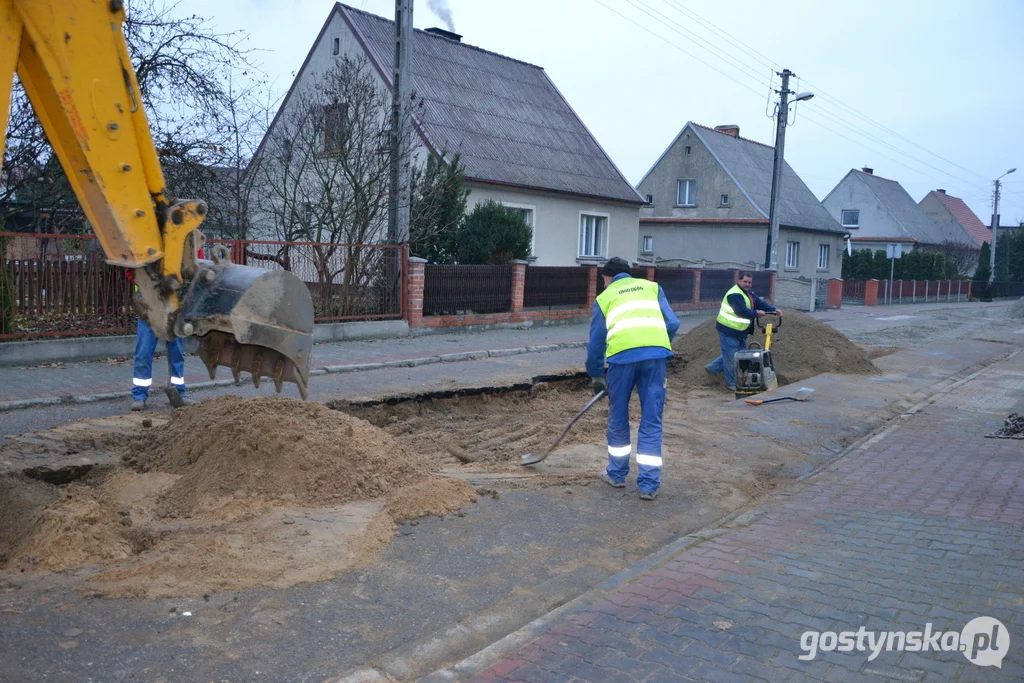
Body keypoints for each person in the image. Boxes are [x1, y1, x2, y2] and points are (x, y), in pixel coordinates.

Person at [586, 257, 680, 501]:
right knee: (651, 418)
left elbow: (596, 341)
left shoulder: (605, 297)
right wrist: (659, 342)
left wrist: (596, 374)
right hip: (655, 359)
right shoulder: (652, 287)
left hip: (621, 360)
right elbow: (673, 322)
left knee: (618, 416)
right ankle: (649, 485)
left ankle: (617, 475)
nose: (603, 284)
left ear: (608, 277)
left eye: (602, 279)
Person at [705, 271, 780, 391]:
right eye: (745, 281)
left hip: (740, 331)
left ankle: (712, 368)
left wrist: (773, 310)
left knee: (738, 355)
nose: (747, 284)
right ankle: (731, 383)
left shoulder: (748, 292)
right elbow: (741, 311)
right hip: (728, 329)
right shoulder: (734, 294)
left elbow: (759, 303)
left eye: (749, 282)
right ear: (739, 281)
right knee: (731, 356)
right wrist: (756, 313)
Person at [126, 268, 189, 412]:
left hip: (174, 308)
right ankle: (139, 396)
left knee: (177, 353)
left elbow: (194, 262)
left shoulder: (184, 245)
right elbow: (130, 269)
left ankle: (180, 392)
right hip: (149, 309)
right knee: (143, 353)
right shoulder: (143, 248)